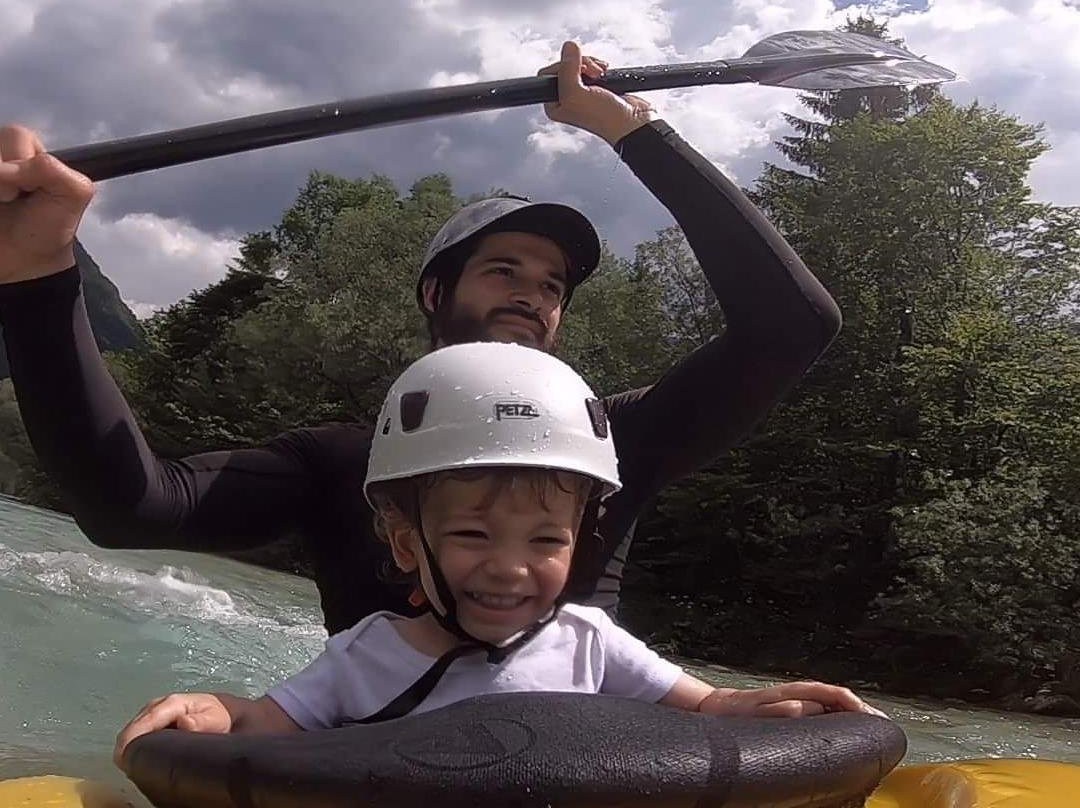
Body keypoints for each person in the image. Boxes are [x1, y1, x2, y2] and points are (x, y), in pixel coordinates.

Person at [0, 42, 841, 634]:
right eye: (503, 270)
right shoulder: (341, 463)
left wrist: (633, 133)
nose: (534, 296)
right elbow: (129, 506)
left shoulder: (618, 443)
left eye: (553, 286)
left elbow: (792, 325)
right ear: (437, 293)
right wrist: (40, 268)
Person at [113, 343, 883, 765]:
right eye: (475, 536)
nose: (512, 567)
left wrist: (761, 706)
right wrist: (219, 709)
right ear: (409, 544)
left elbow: (710, 707)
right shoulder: (366, 657)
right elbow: (264, 725)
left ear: (578, 540)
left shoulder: (592, 643)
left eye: (546, 539)